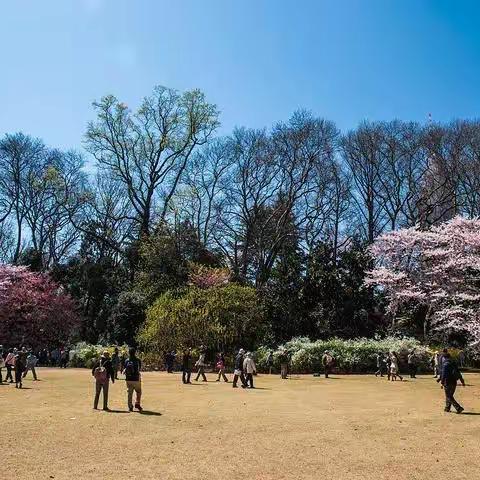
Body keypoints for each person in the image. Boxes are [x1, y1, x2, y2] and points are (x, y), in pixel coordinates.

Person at [123, 347, 142, 412]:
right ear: (135, 352)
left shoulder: (126, 360)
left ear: (129, 353)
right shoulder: (138, 360)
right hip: (136, 378)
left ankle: (130, 406)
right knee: (138, 391)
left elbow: (124, 368)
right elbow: (139, 369)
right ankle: (137, 403)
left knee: (129, 393)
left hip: (128, 378)